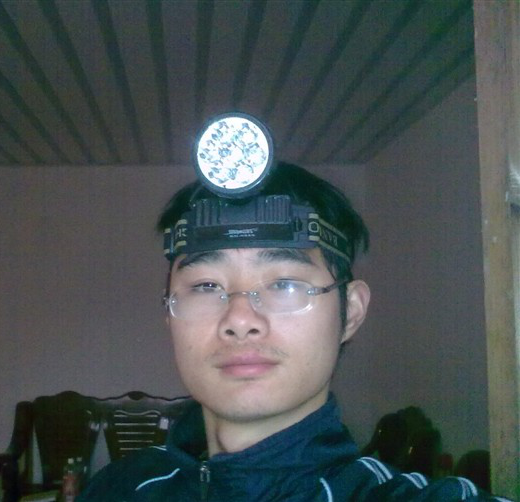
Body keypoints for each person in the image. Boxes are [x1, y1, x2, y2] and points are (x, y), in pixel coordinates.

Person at [79, 117, 510, 501]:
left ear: (351, 312)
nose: (240, 320)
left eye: (284, 284)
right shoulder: (118, 486)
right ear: (169, 313)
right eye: (207, 286)